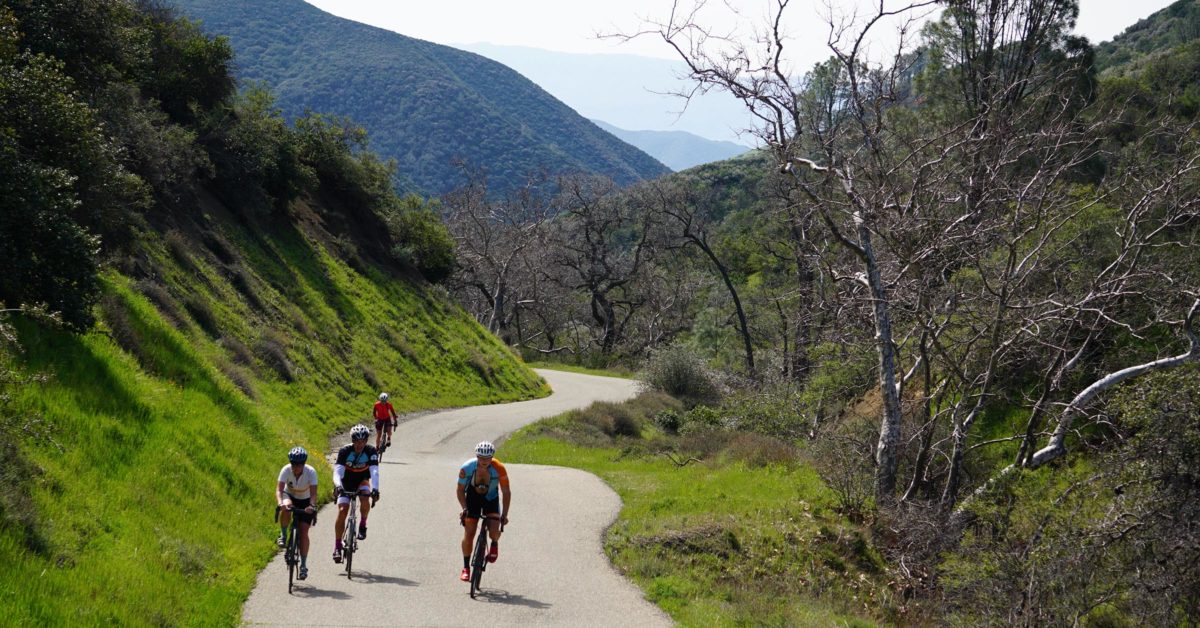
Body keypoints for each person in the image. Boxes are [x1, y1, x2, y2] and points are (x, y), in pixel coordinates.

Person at [456, 440, 511, 582]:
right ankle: (466, 568)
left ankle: (494, 544)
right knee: (469, 533)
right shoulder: (467, 468)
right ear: (476, 456)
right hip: (473, 499)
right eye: (481, 457)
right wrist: (464, 508)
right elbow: (460, 490)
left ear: (492, 457)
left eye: (487, 458)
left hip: (490, 499)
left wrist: (504, 514)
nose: (484, 461)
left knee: (494, 530)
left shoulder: (499, 468)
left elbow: (506, 492)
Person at [332, 424, 380, 563]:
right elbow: (338, 472)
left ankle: (363, 524)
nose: (360, 444)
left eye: (363, 441)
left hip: (362, 481)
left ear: (366, 441)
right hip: (346, 482)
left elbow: (374, 472)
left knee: (365, 500)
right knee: (342, 510)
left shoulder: (371, 451)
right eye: (357, 441)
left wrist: (375, 488)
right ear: (352, 441)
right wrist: (338, 486)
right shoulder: (345, 451)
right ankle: (337, 547)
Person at [277, 446, 317, 580]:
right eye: (293, 464)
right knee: (287, 506)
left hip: (306, 500)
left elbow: (313, 494)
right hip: (290, 496)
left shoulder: (311, 472)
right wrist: (280, 503)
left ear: (304, 464)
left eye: (299, 465)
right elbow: (279, 490)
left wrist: (311, 505)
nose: (296, 467)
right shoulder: (285, 470)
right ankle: (283, 534)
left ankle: (304, 565)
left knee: (304, 531)